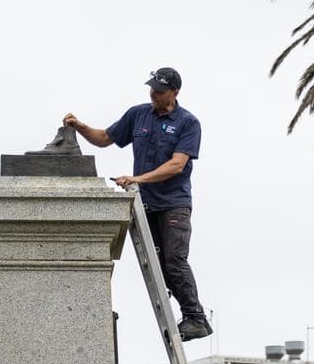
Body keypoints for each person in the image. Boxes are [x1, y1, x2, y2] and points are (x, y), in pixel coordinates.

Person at [63, 67, 212, 341]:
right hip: (146, 205)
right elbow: (105, 138)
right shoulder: (139, 114)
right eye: (152, 89)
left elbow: (177, 165)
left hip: (173, 204)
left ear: (174, 93)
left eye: (159, 90)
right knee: (158, 264)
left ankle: (195, 318)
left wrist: (138, 179)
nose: (153, 94)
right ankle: (183, 312)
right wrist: (80, 126)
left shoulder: (188, 123)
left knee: (174, 261)